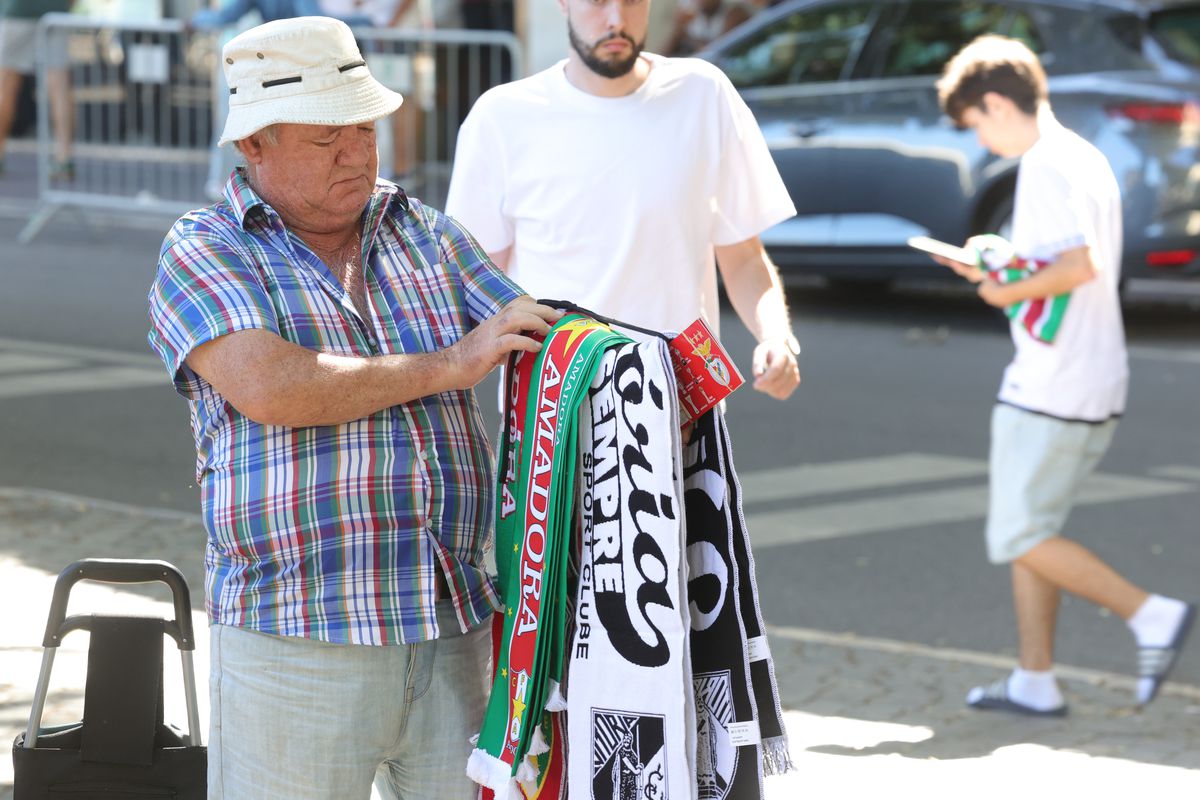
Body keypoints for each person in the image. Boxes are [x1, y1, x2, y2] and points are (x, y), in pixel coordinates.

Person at [147, 16, 560, 798]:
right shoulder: (206, 246)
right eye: (325, 137)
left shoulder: (425, 233)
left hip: (452, 627)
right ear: (254, 146)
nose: (357, 152)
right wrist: (453, 364)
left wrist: (638, 377)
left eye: (364, 127)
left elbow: (538, 336)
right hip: (295, 637)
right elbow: (273, 386)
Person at [931, 34, 1194, 716]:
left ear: (995, 101)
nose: (983, 140)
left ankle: (1151, 616)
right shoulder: (1083, 155)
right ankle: (1034, 680)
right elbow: (1064, 261)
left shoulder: (1045, 166)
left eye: (977, 124)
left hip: (1053, 381)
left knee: (1017, 535)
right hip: (1091, 373)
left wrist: (996, 293)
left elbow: (1077, 267)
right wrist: (997, 265)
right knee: (1034, 529)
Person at [446, 0, 800, 402]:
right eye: (598, 2)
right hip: (557, 420)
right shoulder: (500, 118)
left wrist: (777, 337)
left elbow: (744, 256)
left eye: (631, 1)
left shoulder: (704, 94)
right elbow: (475, 289)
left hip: (683, 406)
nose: (616, 19)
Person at [0, 0, 74, 180]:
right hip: (56, 9)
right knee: (59, 86)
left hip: (18, 10)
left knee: (5, 86)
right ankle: (64, 158)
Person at [663, 0, 751, 57]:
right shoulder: (694, 16)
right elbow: (663, 56)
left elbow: (718, 53)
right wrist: (678, 30)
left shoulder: (734, 13)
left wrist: (688, 36)